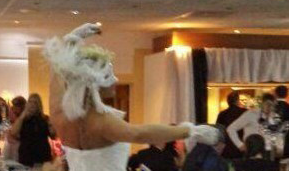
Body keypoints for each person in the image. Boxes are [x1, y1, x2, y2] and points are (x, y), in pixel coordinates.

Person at [46, 23, 218, 156]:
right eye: (109, 75)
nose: (115, 80)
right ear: (93, 83)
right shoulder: (102, 122)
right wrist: (189, 131)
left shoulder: (59, 113)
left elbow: (56, 73)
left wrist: (71, 40)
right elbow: (139, 134)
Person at [10, 93, 54, 167]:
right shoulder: (23, 119)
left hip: (42, 156)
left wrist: (51, 125)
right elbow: (13, 133)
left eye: (35, 102)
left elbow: (53, 136)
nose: (32, 104)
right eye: (30, 102)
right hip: (26, 157)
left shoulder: (45, 119)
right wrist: (23, 115)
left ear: (39, 105)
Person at [216, 91, 246, 159]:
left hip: (227, 147)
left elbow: (218, 131)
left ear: (228, 101)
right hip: (241, 146)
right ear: (237, 101)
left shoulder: (222, 114)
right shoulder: (245, 112)